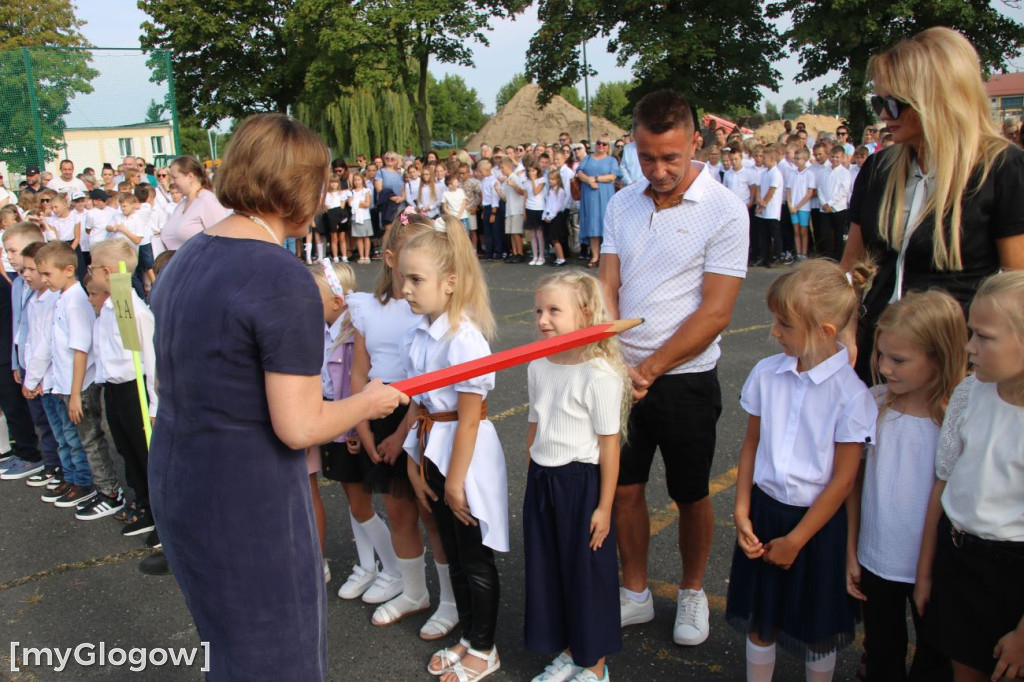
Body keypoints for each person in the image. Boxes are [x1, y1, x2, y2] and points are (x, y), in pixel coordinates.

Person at [148, 114, 408, 681]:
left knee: (229, 652)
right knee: (277, 660)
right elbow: (299, 424)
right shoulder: (279, 275)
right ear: (300, 189)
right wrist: (369, 401)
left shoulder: (188, 255)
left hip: (181, 480)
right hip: (247, 499)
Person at [599, 89, 748, 647]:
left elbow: (717, 311)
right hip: (622, 375)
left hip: (684, 380)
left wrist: (652, 368)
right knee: (625, 490)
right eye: (646, 157)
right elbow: (607, 285)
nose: (658, 170)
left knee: (690, 494)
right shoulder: (621, 203)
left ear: (695, 142)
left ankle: (690, 594)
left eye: (671, 158)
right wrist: (614, 359)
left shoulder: (725, 210)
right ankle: (634, 593)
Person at [841, 27, 1024, 380]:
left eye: (893, 103)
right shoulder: (880, 168)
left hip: (955, 364)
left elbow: (1016, 288)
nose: (882, 114)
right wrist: (847, 331)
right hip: (877, 360)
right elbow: (852, 267)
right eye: (878, 102)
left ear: (938, 100)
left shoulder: (1003, 169)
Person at [727, 259, 877, 682]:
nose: (774, 331)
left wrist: (795, 540)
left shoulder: (851, 396)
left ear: (824, 332)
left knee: (817, 628)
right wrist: (742, 510)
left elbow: (844, 480)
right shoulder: (766, 374)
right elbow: (751, 444)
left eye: (784, 324)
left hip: (816, 526)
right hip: (764, 512)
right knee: (761, 618)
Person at [398, 216, 505, 682]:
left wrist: (456, 481)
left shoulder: (464, 339)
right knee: (453, 551)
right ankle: (468, 635)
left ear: (450, 283)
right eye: (403, 278)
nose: (404, 288)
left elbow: (467, 418)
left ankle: (486, 647)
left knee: (476, 555)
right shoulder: (422, 331)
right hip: (435, 450)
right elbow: (421, 406)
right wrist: (415, 467)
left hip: (466, 456)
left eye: (415, 279)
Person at [347, 213, 457, 641]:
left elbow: (431, 379)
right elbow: (360, 372)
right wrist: (364, 426)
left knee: (431, 513)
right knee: (398, 510)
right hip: (378, 409)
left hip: (420, 412)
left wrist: (401, 434)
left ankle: (449, 600)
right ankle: (414, 592)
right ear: (391, 257)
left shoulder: (429, 307)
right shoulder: (367, 307)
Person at [845, 290, 964, 681]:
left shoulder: (954, 420)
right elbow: (854, 484)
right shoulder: (874, 403)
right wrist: (852, 550)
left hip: (933, 566)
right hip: (877, 557)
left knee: (935, 657)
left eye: (899, 359)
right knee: (881, 651)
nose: (885, 367)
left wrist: (929, 570)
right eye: (881, 355)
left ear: (939, 356)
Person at [914, 271, 1024, 682]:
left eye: (984, 337)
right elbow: (942, 483)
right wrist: (926, 574)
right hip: (959, 559)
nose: (969, 347)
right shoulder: (968, 393)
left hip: (1012, 573)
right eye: (970, 333)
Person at [524, 271, 628, 682]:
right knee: (552, 570)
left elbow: (609, 446)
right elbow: (535, 422)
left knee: (588, 576)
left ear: (585, 314)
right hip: (544, 482)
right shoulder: (538, 363)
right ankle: (571, 650)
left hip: (582, 485)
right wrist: (532, 469)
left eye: (554, 310)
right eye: (538, 311)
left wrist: (604, 507)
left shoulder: (599, 373)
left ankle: (596, 664)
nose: (543, 319)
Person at [87, 239, 160, 538]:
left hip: (136, 391)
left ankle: (159, 513)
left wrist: (154, 405)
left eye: (91, 267)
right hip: (116, 390)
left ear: (106, 272)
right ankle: (143, 502)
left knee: (145, 455)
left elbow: (151, 361)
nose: (88, 272)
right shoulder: (110, 306)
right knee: (126, 449)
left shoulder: (136, 311)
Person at [306, 259, 362, 585]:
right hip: (330, 422)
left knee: (360, 504)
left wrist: (353, 427)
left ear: (337, 302)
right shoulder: (324, 332)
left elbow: (352, 387)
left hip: (346, 425)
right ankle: (368, 565)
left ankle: (380, 567)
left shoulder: (351, 336)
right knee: (351, 499)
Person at [1, 225, 50, 483]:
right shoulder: (18, 283)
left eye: (13, 250)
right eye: (6, 250)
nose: (8, 256)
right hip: (23, 358)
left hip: (41, 364)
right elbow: (17, 326)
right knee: (36, 416)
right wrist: (15, 360)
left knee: (52, 423)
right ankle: (29, 454)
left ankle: (47, 464)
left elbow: (39, 332)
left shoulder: (42, 286)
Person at [160, 156, 229, 250]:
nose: (172, 182)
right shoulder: (182, 204)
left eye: (175, 178)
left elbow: (222, 241)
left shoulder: (208, 202)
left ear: (190, 177)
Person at [576, 135, 620, 269]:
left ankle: (607, 257)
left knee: (606, 224)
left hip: (605, 194)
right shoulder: (587, 158)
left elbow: (613, 176)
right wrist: (588, 180)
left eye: (605, 144)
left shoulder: (612, 160)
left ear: (608, 147)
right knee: (592, 224)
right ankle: (595, 255)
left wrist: (595, 178)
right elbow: (579, 173)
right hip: (589, 195)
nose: (601, 146)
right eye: (599, 143)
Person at [818, 146, 852, 262]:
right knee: (824, 233)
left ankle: (838, 257)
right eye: (832, 156)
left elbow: (843, 190)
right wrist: (824, 203)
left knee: (838, 234)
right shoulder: (824, 171)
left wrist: (831, 203)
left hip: (838, 208)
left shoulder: (845, 172)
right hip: (824, 208)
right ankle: (827, 256)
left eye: (837, 157)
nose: (834, 159)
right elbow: (820, 188)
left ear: (842, 158)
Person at [754, 148, 784, 267]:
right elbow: (759, 188)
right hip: (763, 210)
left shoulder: (776, 173)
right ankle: (764, 256)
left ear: (772, 159)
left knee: (775, 234)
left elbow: (772, 191)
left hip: (771, 210)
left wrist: (763, 204)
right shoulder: (764, 172)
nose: (762, 160)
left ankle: (777, 256)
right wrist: (759, 199)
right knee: (764, 235)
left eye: (764, 158)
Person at [785, 148, 816, 261]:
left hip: (804, 207)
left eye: (799, 158)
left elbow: (810, 193)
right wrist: (790, 204)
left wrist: (798, 206)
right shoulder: (792, 173)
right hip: (793, 207)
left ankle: (804, 253)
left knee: (804, 231)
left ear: (805, 159)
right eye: (795, 158)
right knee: (796, 231)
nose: (796, 161)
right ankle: (798, 253)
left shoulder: (810, 174)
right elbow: (788, 190)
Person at [541, 169, 569, 267]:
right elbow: (548, 204)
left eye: (553, 179)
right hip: (549, 215)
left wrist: (550, 216)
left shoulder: (560, 191)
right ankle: (558, 258)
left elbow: (557, 206)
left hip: (556, 217)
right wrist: (544, 215)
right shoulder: (550, 191)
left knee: (555, 238)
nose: (551, 181)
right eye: (549, 179)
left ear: (558, 180)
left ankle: (561, 258)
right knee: (552, 239)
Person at [348, 173, 373, 264]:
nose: (357, 182)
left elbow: (367, 204)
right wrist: (360, 202)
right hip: (355, 217)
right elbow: (350, 203)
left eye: (358, 180)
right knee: (358, 237)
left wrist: (356, 203)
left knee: (366, 237)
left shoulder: (366, 190)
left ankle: (367, 256)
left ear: (362, 180)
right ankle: (361, 256)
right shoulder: (351, 192)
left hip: (365, 216)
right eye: (355, 180)